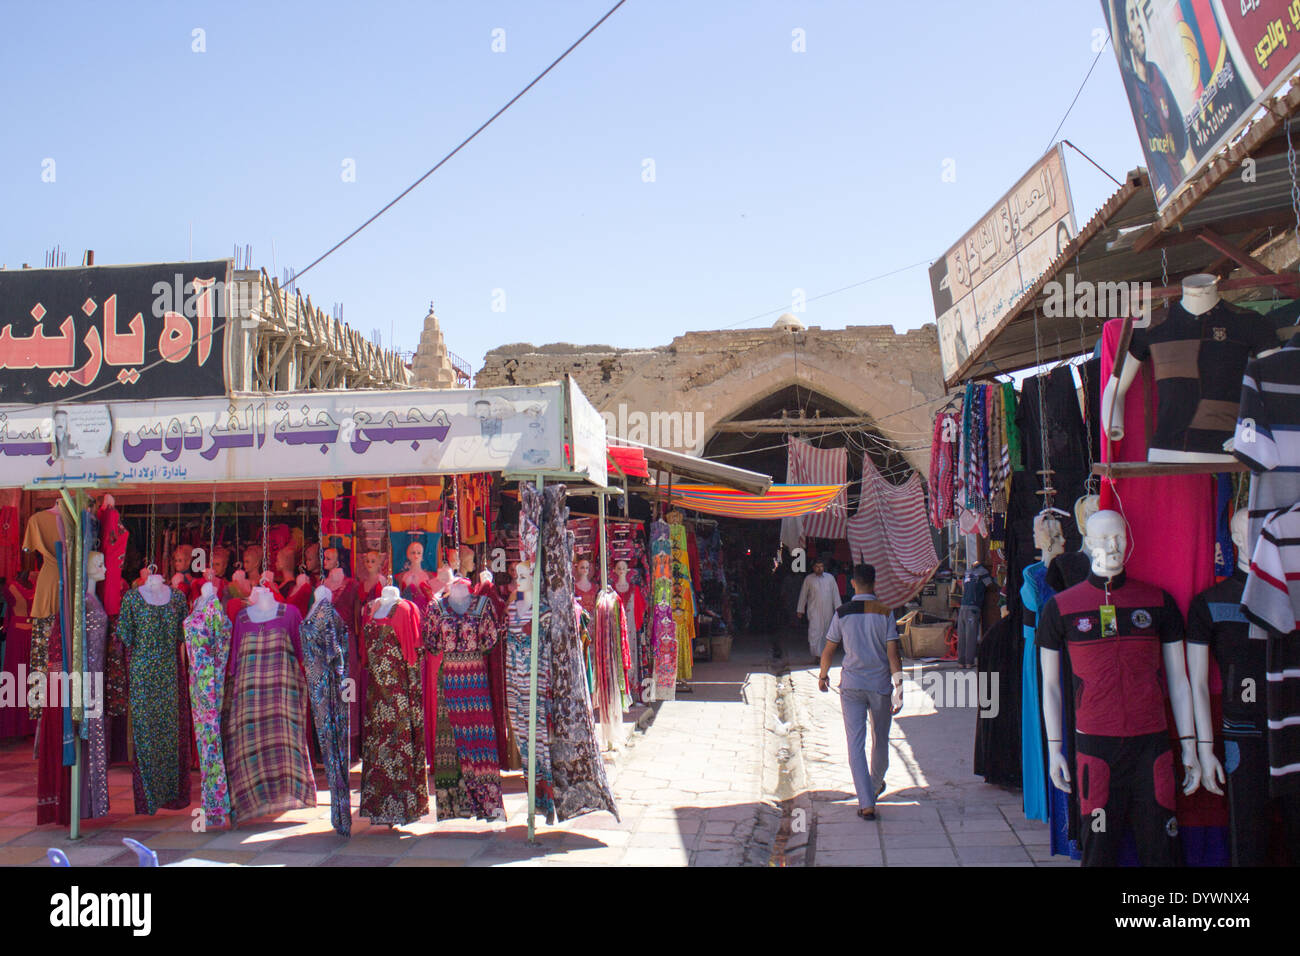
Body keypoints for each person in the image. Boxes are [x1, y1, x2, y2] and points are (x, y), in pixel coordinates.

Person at [817, 563, 903, 821]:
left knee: (855, 744)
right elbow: (893, 655)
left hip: (852, 685)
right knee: (880, 740)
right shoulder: (885, 613)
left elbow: (829, 649)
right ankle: (874, 785)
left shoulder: (842, 613)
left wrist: (823, 676)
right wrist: (899, 688)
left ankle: (866, 801)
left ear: (853, 583)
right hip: (880, 686)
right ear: (874, 583)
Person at [796, 557, 841, 661]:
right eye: (817, 567)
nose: (819, 569)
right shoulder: (809, 579)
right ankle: (817, 655)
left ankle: (824, 655)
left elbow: (835, 594)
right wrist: (800, 609)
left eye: (821, 567)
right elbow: (803, 595)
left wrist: (839, 609)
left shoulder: (830, 578)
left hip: (828, 610)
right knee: (814, 632)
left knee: (827, 631)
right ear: (813, 568)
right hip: (814, 611)